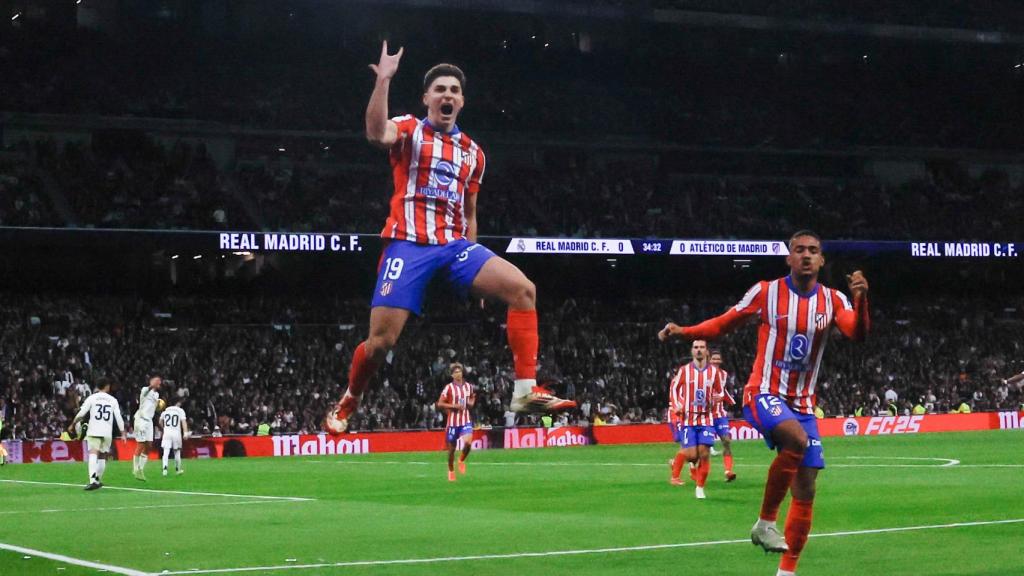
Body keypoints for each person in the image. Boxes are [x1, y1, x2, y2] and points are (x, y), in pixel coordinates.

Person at [325, 41, 575, 434]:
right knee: (380, 344)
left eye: (454, 91)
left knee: (523, 290)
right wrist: (384, 82)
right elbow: (376, 133)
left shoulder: (473, 153)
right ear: (427, 97)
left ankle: (525, 389)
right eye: (440, 89)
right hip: (408, 243)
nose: (447, 95)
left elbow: (469, 212)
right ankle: (352, 396)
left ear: (462, 102)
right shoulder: (409, 129)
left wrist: (474, 259)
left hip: (455, 246)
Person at [659, 230, 869, 576]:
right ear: (788, 258)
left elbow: (857, 333)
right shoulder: (766, 292)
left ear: (821, 260)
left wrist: (861, 301)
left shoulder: (834, 300)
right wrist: (684, 331)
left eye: (812, 251)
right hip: (762, 393)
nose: (805, 255)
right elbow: (724, 324)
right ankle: (765, 523)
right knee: (796, 441)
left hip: (803, 404)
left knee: (806, 487)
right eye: (798, 250)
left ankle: (786, 572)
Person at [667, 340, 724, 499]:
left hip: (706, 419)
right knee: (692, 455)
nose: (699, 350)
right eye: (696, 347)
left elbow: (720, 392)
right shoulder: (685, 371)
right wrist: (676, 405)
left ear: (707, 352)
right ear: (692, 351)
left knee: (704, 453)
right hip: (687, 419)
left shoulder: (714, 373)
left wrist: (716, 398)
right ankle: (679, 465)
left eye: (702, 348)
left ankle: (700, 488)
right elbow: (674, 388)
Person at [67, 377, 126, 490]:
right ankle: (98, 479)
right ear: (107, 386)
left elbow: (82, 413)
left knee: (93, 454)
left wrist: (73, 424)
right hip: (107, 432)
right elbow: (118, 417)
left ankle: (92, 480)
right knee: (103, 456)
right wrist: (123, 432)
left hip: (94, 429)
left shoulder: (92, 398)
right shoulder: (113, 400)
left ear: (98, 387)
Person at [436, 363, 475, 482]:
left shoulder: (468, 386)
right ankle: (451, 470)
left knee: (468, 442)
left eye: (460, 371)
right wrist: (454, 406)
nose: (458, 374)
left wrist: (471, 404)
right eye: (456, 372)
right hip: (453, 422)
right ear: (452, 375)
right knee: (451, 450)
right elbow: (440, 403)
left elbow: (472, 397)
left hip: (465, 420)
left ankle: (461, 460)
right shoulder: (448, 388)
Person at [709, 350, 737, 482]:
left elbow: (722, 390)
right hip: (705, 415)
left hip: (719, 414)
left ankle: (728, 471)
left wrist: (728, 399)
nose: (715, 361)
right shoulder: (703, 373)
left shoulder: (724, 374)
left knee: (726, 441)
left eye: (717, 359)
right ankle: (678, 463)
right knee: (699, 449)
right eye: (713, 359)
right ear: (709, 360)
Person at [132, 376, 162, 481]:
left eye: (159, 381)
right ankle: (135, 470)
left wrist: (159, 405)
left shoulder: (156, 395)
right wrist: (152, 385)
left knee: (149, 446)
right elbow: (148, 389)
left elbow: (156, 407)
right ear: (151, 382)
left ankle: (141, 469)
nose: (159, 382)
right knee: (141, 445)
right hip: (141, 420)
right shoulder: (145, 390)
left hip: (149, 421)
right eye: (156, 380)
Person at [158, 399, 189, 476]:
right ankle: (177, 469)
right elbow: (183, 422)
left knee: (166, 451)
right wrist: (185, 433)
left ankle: (165, 469)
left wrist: (164, 428)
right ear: (177, 403)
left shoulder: (165, 411)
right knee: (177, 451)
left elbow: (160, 422)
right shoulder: (180, 411)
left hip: (167, 432)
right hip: (176, 433)